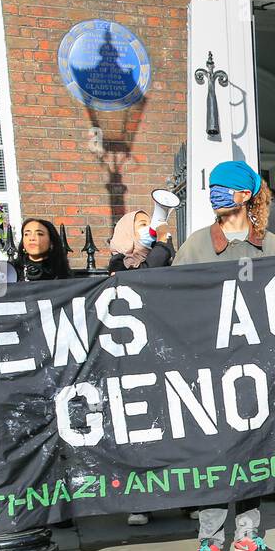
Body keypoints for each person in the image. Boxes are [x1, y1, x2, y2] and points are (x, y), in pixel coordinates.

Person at [174, 160, 275, 551]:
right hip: (211, 368)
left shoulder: (269, 245)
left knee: (254, 450)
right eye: (213, 186)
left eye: (224, 187)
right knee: (213, 454)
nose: (215, 193)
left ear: (244, 196)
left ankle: (247, 535)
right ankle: (209, 540)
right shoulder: (197, 245)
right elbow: (171, 298)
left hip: (256, 367)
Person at [105, 208, 175, 527]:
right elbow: (143, 272)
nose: (148, 228)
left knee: (172, 426)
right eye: (141, 225)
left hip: (164, 353)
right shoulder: (117, 263)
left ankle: (185, 495)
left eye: (150, 223)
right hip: (131, 359)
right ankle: (141, 501)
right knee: (140, 429)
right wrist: (159, 244)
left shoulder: (166, 253)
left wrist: (163, 246)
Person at [107, 208, 174, 274]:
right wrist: (161, 244)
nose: (150, 228)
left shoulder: (155, 250)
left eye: (150, 225)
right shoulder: (118, 262)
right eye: (143, 224)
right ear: (128, 232)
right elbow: (145, 275)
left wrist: (167, 241)